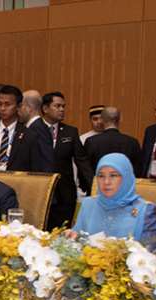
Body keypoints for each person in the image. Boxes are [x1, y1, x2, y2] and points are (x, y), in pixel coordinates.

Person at [73, 153, 156, 249]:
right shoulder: (88, 204)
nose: (106, 182)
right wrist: (70, 237)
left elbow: (150, 252)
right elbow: (76, 243)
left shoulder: (147, 211)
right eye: (101, 176)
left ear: (126, 178)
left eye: (113, 175)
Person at [41, 91, 92, 229]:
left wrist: (93, 186)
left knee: (62, 232)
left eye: (63, 106)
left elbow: (82, 161)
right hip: (41, 191)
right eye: (57, 106)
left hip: (64, 194)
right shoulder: (33, 130)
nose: (62, 109)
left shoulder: (70, 132)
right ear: (45, 108)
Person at [84, 106, 143, 175]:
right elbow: (138, 171)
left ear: (102, 120)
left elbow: (85, 170)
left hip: (99, 181)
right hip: (124, 181)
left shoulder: (91, 142)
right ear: (120, 119)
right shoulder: (132, 142)